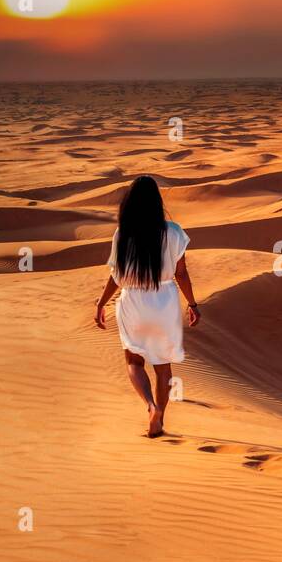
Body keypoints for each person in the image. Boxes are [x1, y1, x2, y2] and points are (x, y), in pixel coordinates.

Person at [94, 175, 200, 437]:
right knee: (163, 365)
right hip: (164, 301)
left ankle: (150, 406)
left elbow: (116, 276)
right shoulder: (174, 232)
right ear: (157, 202)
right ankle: (160, 418)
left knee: (134, 361)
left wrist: (101, 302)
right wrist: (193, 304)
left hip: (132, 301)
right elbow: (182, 274)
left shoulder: (123, 233)